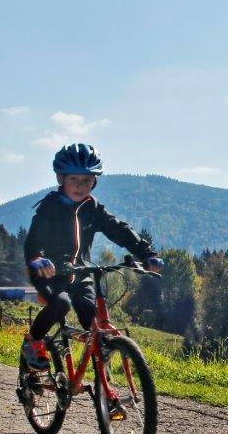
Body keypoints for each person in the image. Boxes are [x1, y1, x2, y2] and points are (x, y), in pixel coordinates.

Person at [21, 143, 162, 371]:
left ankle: (104, 386)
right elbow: (34, 239)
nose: (80, 186)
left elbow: (118, 229)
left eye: (86, 180)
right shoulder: (50, 207)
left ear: (94, 182)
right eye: (74, 179)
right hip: (49, 272)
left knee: (92, 319)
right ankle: (33, 341)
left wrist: (146, 253)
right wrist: (37, 258)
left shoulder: (92, 208)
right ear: (61, 179)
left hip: (81, 271)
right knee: (61, 304)